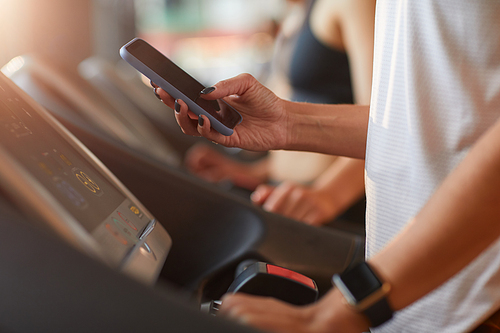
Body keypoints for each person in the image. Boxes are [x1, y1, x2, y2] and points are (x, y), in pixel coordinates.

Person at [154, 0, 500, 332]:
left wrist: (339, 311)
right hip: (411, 298)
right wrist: (287, 124)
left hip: (477, 304)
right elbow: (437, 122)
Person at [183, 0, 374, 226]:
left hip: (331, 206)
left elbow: (381, 128)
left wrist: (328, 195)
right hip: (288, 190)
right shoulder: (299, 12)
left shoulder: (354, 3)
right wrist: (253, 171)